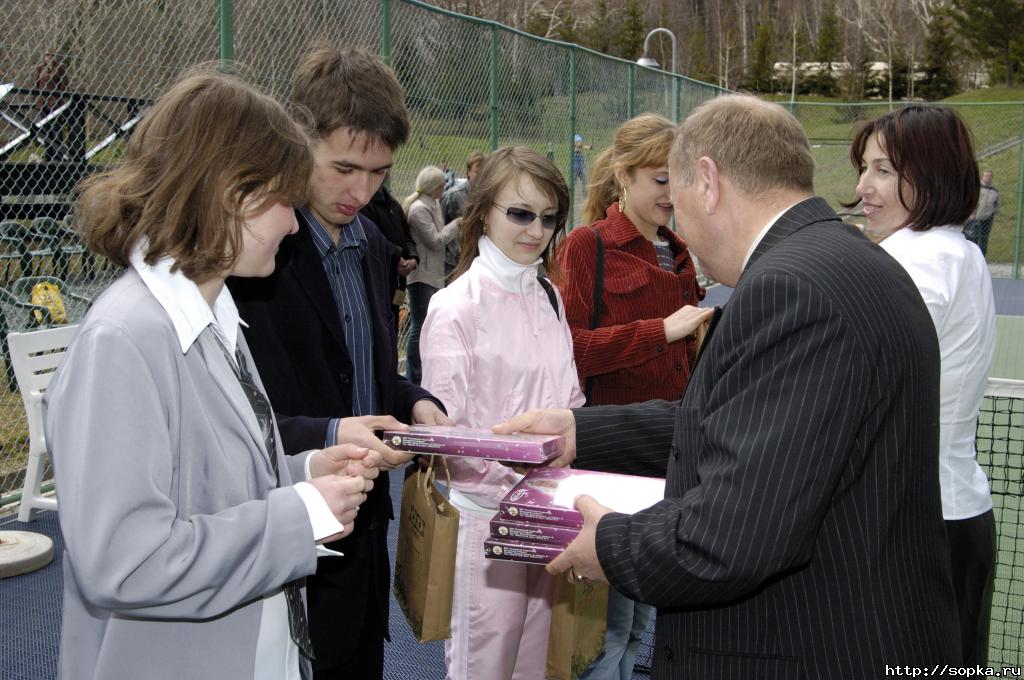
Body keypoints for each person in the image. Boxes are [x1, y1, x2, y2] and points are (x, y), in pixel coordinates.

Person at [497, 94, 961, 677]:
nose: (678, 225)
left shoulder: (790, 288)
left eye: (679, 198)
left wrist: (608, 546)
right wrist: (577, 431)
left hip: (810, 647)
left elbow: (730, 537)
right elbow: (741, 421)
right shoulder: (846, 260)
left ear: (709, 182)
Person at [43, 69, 380, 680]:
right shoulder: (126, 339)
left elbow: (211, 490)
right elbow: (125, 560)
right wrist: (299, 514)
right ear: (227, 192)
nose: (293, 223)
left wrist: (303, 472)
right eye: (283, 201)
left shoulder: (215, 316)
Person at [227, 46, 451, 680]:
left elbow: (367, 375)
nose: (361, 191)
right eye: (344, 168)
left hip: (364, 523)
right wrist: (331, 437)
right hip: (280, 529)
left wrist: (412, 402)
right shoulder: (254, 257)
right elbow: (238, 419)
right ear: (296, 142)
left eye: (379, 173)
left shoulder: (371, 244)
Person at [419, 147, 590, 680]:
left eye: (548, 217)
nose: (536, 230)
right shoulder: (454, 307)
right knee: (483, 666)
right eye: (520, 213)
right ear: (484, 210)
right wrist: (520, 466)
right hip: (488, 519)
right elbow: (452, 440)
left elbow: (571, 401)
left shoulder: (549, 296)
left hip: (552, 511)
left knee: (538, 665)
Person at [557, 113, 705, 680]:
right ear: (625, 175)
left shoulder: (681, 250)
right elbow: (572, 349)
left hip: (667, 457)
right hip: (611, 454)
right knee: (609, 625)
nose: (672, 193)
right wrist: (660, 331)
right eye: (660, 179)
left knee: (644, 619)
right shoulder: (587, 246)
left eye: (680, 179)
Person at [852, 105, 997, 665]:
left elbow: (849, 392)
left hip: (914, 531)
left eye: (884, 170)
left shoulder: (919, 260)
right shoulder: (955, 251)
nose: (863, 186)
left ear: (933, 174)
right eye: (865, 167)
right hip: (949, 519)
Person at [403, 165, 459, 385]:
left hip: (434, 274)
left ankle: (426, 372)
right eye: (440, 186)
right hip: (421, 276)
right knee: (420, 326)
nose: (443, 190)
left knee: (431, 324)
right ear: (432, 187)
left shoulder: (434, 204)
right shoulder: (418, 209)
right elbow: (435, 240)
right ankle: (414, 375)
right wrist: (456, 225)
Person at [360, 182, 419, 331]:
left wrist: (412, 258)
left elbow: (407, 236)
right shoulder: (365, 205)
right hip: (378, 278)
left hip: (397, 280)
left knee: (392, 327)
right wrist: (396, 256)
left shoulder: (393, 204)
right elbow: (372, 238)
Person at [442, 150, 485, 275]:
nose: (481, 176)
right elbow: (441, 226)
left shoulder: (490, 196)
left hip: (480, 260)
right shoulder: (453, 195)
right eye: (477, 172)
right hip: (455, 261)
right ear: (468, 173)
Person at [963, 169, 999, 256]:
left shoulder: (994, 190)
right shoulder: (977, 187)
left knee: (984, 238)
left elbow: (996, 204)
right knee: (972, 237)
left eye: (989, 176)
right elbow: (971, 200)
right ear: (983, 176)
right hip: (975, 217)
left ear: (992, 177)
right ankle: (970, 255)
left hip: (987, 218)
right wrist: (971, 213)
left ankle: (982, 256)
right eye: (986, 176)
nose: (988, 178)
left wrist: (994, 212)